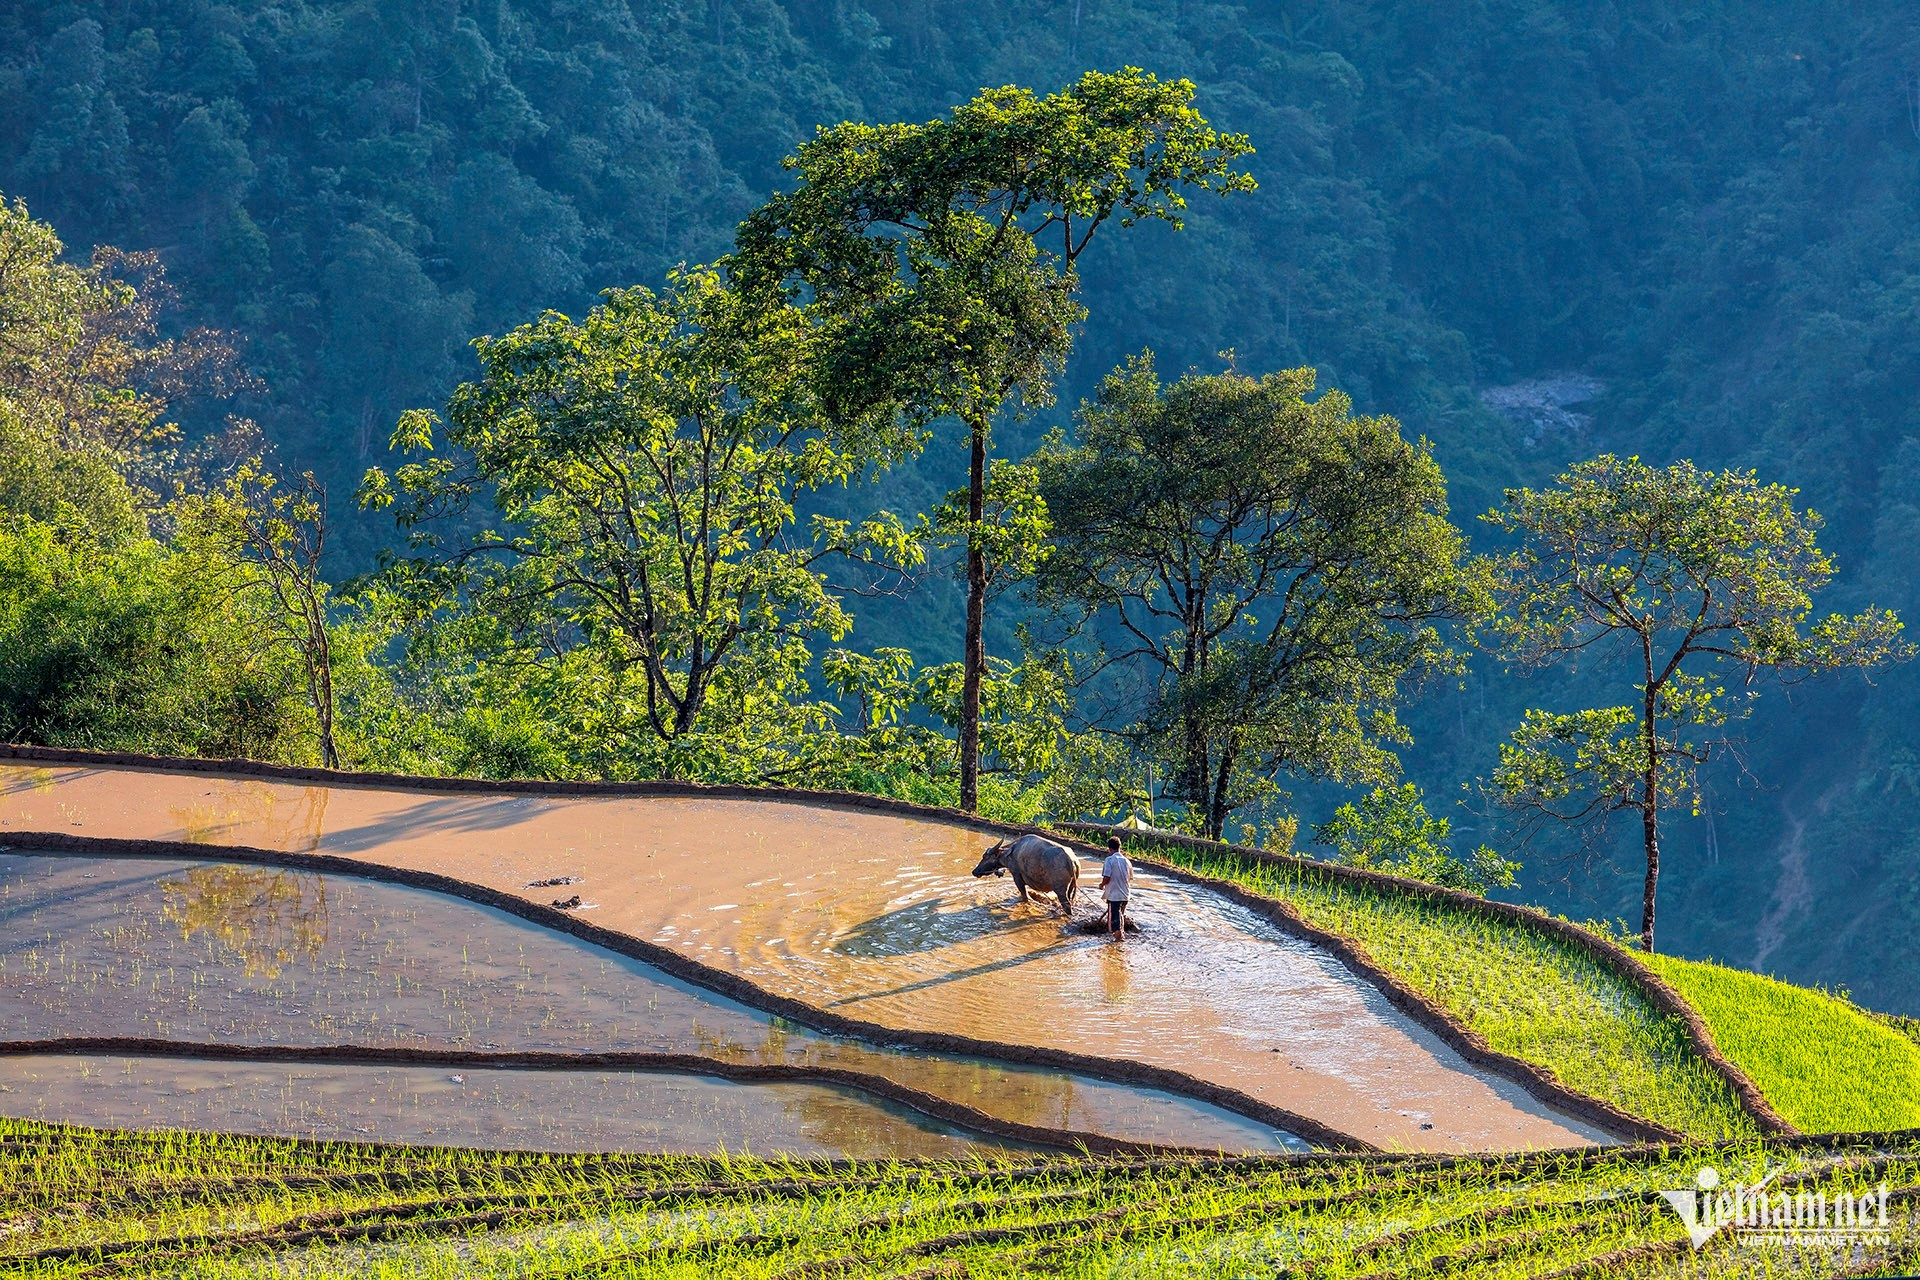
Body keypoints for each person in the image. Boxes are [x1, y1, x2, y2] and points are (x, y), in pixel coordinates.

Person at [1099, 835, 1132, 942]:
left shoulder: (1109, 860)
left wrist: (1101, 885)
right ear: (1119, 847)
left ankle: (1118, 942)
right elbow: (1130, 878)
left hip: (1114, 896)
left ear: (1110, 849)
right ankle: (1121, 935)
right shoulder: (1127, 861)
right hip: (1125, 895)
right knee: (1120, 916)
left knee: (1114, 922)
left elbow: (1107, 877)